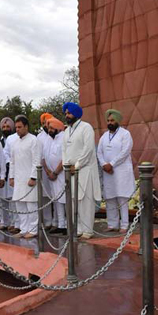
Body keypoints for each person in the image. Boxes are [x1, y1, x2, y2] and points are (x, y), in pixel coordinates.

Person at [62, 102, 101, 239]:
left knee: (85, 201)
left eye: (69, 113)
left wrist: (77, 165)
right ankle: (78, 228)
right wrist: (66, 166)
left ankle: (87, 230)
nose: (67, 115)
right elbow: (64, 151)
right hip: (70, 171)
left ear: (76, 113)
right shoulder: (66, 131)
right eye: (66, 113)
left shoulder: (86, 128)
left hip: (84, 170)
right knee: (73, 200)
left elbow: (89, 149)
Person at [97, 109, 134, 233]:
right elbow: (99, 152)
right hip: (108, 172)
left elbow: (125, 151)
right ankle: (112, 224)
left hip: (121, 171)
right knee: (110, 198)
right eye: (108, 120)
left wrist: (112, 164)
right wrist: (103, 164)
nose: (109, 122)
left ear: (117, 121)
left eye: (112, 120)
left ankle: (124, 225)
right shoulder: (104, 136)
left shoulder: (125, 134)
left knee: (122, 198)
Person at [9, 116, 40, 239]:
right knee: (19, 204)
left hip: (29, 179)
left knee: (31, 205)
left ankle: (33, 230)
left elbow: (36, 160)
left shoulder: (34, 140)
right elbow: (12, 162)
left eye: (19, 127)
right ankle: (23, 229)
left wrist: (33, 177)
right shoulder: (15, 142)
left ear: (26, 127)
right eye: (16, 127)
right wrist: (11, 177)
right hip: (18, 179)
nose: (17, 130)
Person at [43, 117, 67, 234]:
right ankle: (60, 224)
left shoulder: (64, 138)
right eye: (49, 128)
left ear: (58, 129)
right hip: (51, 175)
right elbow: (43, 157)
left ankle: (66, 225)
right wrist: (48, 171)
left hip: (61, 174)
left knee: (64, 199)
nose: (50, 130)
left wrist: (56, 172)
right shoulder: (48, 139)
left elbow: (65, 157)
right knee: (56, 199)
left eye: (52, 128)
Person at [0, 117, 19, 232]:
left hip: (13, 172)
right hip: (3, 174)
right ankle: (4, 222)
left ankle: (14, 222)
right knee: (3, 200)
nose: (6, 129)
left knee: (13, 200)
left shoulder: (15, 139)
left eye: (8, 127)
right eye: (4, 127)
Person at [37, 112, 54, 228]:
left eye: (47, 122)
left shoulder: (56, 133)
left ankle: (58, 222)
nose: (45, 125)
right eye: (43, 123)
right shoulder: (39, 137)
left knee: (57, 196)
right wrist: (46, 169)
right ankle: (47, 221)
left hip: (56, 171)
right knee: (44, 196)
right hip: (43, 171)